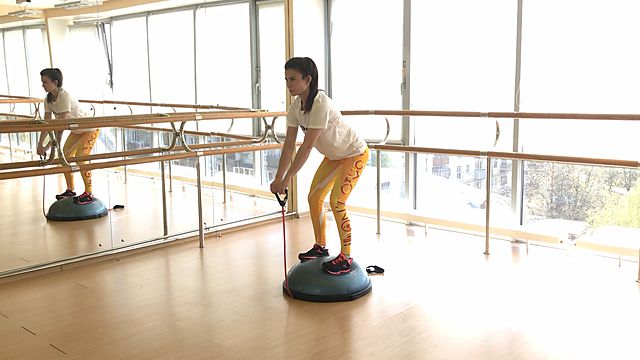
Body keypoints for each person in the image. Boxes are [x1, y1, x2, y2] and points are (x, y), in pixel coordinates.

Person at [270, 57, 369, 275]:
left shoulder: (321, 104)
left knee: (337, 201)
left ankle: (346, 256)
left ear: (308, 79)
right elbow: (289, 145)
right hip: (334, 158)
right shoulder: (296, 107)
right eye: (286, 79)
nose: (289, 85)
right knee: (314, 198)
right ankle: (320, 246)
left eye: (293, 79)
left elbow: (305, 147)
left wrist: (287, 179)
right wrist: (278, 178)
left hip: (354, 154)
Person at [36, 68, 99, 205]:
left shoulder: (64, 96)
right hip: (76, 131)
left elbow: (61, 125)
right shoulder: (48, 100)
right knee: (64, 156)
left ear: (55, 82)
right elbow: (47, 124)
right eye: (42, 82)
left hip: (89, 128)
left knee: (81, 158)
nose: (43, 85)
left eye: (45, 82)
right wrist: (40, 144)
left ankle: (89, 192)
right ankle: (71, 190)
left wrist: (48, 146)